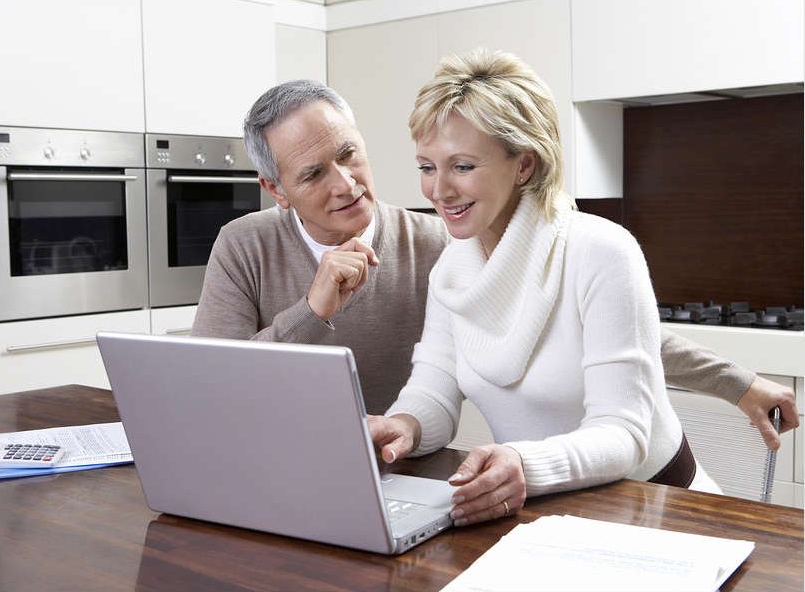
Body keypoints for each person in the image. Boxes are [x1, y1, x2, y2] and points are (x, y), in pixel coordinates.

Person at [190, 79, 797, 440]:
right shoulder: (244, 246)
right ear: (276, 188)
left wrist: (735, 382)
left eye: (350, 154)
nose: (346, 183)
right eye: (314, 174)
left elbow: (600, 328)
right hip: (273, 457)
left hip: (401, 463)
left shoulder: (440, 246)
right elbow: (210, 388)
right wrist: (311, 310)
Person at [365, 48, 781, 527]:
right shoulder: (452, 272)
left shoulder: (600, 251)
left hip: (657, 511)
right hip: (548, 515)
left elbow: (624, 433)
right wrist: (403, 425)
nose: (439, 190)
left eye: (462, 166)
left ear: (523, 165)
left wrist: (523, 463)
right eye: (426, 167)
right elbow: (434, 390)